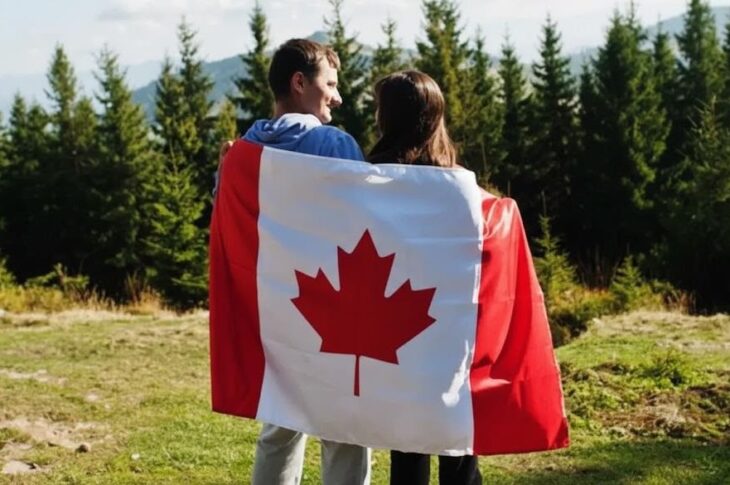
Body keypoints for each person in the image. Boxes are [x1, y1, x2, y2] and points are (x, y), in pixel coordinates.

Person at [220, 38, 371, 485]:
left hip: (274, 307)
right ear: (300, 82)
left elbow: (228, 223)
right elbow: (365, 225)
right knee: (344, 429)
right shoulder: (334, 144)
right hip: (333, 302)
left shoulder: (244, 150)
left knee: (281, 423)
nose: (338, 97)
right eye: (331, 84)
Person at [368, 70, 483, 485]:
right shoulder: (460, 186)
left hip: (393, 329)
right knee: (457, 440)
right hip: (451, 327)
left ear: (388, 117)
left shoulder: (365, 182)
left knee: (408, 441)